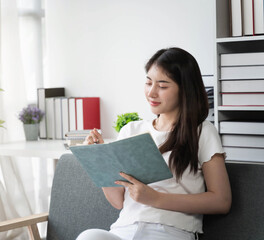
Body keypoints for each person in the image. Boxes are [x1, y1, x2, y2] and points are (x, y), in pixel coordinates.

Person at [77, 47, 232, 240]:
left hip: (170, 232)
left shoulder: (202, 132)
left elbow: (221, 201)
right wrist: (100, 161)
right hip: (124, 230)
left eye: (163, 86)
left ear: (185, 90)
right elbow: (118, 201)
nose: (152, 92)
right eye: (148, 82)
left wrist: (156, 198)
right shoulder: (131, 130)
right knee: (89, 236)